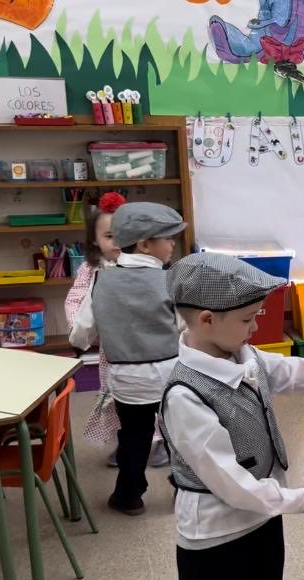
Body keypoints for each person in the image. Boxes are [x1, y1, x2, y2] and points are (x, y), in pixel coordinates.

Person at [160, 253, 304, 580]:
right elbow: (232, 483)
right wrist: (301, 498)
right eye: (248, 319)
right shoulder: (184, 395)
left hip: (263, 521)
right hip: (216, 538)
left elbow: (292, 371)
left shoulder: (240, 353)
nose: (255, 327)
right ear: (206, 319)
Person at [70, 202, 185, 516]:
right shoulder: (171, 281)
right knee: (179, 434)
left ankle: (129, 495)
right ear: (146, 244)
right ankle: (185, 491)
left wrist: (78, 344)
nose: (173, 243)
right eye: (167, 237)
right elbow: (184, 327)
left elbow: (82, 332)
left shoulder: (101, 281)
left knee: (134, 437)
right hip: (171, 374)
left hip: (127, 379)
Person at [64, 192, 123, 466]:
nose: (119, 242)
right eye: (110, 236)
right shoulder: (92, 269)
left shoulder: (147, 267)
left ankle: (157, 442)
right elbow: (76, 299)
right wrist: (80, 329)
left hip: (150, 350)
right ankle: (124, 442)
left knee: (154, 398)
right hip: (110, 351)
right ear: (95, 241)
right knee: (116, 397)